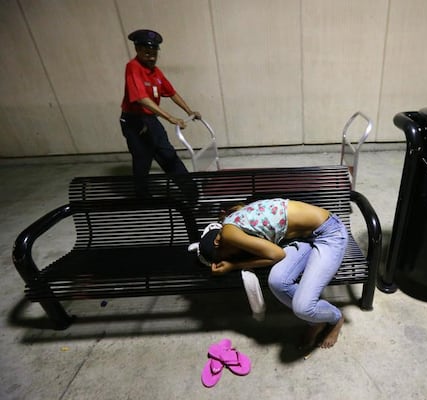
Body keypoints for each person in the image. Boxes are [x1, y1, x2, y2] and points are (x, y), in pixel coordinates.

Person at [196, 198, 348, 349]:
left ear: (217, 242)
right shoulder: (230, 224)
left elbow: (276, 255)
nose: (231, 256)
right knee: (277, 282)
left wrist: (233, 265)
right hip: (302, 238)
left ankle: (336, 317)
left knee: (303, 308)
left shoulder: (228, 233)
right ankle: (316, 320)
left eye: (226, 256)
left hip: (329, 233)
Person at [120, 29, 201, 179]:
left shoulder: (155, 72)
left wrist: (189, 111)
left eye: (154, 53)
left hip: (150, 120)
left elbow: (172, 93)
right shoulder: (133, 67)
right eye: (147, 53)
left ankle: (191, 194)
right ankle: (142, 198)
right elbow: (141, 98)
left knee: (169, 155)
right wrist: (170, 118)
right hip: (134, 121)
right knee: (142, 160)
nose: (151, 57)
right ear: (137, 49)